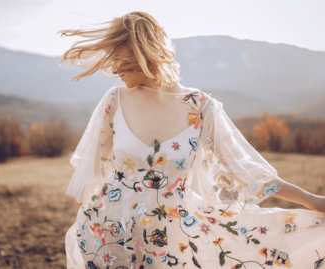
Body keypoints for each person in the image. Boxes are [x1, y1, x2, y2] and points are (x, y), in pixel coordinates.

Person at [59, 11, 325, 269]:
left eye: (118, 55)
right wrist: (85, 228)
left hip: (171, 239)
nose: (114, 67)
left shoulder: (201, 108)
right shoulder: (113, 102)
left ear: (142, 49)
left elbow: (248, 171)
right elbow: (89, 178)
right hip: (107, 234)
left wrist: (311, 200)